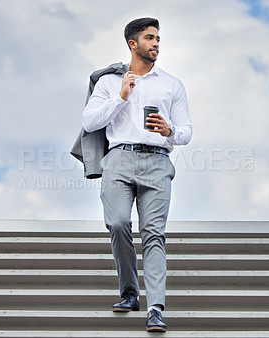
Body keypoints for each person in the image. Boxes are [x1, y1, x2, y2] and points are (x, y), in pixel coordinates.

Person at [82, 17, 192, 333]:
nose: (156, 43)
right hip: (118, 159)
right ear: (133, 44)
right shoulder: (108, 83)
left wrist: (171, 130)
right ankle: (130, 293)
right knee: (117, 222)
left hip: (158, 161)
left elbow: (187, 130)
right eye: (150, 38)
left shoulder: (172, 84)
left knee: (154, 233)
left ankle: (155, 308)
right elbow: (90, 122)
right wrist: (121, 97)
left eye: (158, 38)